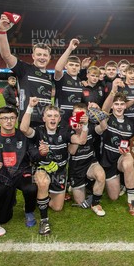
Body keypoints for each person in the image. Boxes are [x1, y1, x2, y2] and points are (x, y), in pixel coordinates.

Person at [19, 98, 83, 234]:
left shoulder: (64, 132)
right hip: (42, 168)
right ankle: (44, 221)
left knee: (57, 207)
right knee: (43, 182)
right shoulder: (39, 132)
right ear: (44, 118)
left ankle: (42, 198)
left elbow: (81, 141)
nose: (52, 118)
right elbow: (24, 128)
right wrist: (30, 106)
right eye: (49, 116)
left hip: (59, 172)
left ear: (59, 119)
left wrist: (80, 129)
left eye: (55, 116)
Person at [0, 106, 40, 234]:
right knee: (4, 218)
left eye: (12, 118)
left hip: (21, 172)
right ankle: (7, 201)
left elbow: (34, 155)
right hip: (2, 175)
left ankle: (29, 211)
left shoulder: (24, 137)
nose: (8, 121)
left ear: (16, 119)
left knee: (31, 188)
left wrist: (41, 153)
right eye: (5, 118)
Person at [0, 14, 53, 127]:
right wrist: (2, 32)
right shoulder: (24, 69)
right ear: (33, 56)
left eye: (45, 55)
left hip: (46, 123)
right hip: (28, 122)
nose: (42, 57)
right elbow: (6, 55)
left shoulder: (49, 76)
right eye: (39, 54)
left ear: (49, 58)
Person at [99, 90, 134, 215]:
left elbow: (132, 143)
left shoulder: (130, 123)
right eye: (116, 104)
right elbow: (103, 111)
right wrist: (112, 91)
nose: (119, 107)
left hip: (122, 157)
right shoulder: (107, 119)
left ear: (125, 105)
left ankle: (131, 200)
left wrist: (127, 149)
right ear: (112, 106)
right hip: (108, 160)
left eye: (122, 104)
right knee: (114, 197)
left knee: (128, 161)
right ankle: (119, 182)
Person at [67, 103, 107, 216]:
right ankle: (85, 185)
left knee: (101, 175)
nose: (79, 116)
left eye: (82, 114)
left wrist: (99, 112)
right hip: (76, 167)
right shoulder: (66, 128)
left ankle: (95, 203)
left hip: (90, 163)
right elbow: (72, 151)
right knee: (81, 203)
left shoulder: (90, 126)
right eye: (77, 114)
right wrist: (78, 132)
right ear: (72, 114)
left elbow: (104, 127)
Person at [53, 39, 83, 123]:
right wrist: (69, 49)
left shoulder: (80, 81)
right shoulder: (62, 77)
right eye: (71, 64)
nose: (74, 67)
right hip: (61, 118)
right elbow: (58, 69)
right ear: (65, 66)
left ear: (79, 68)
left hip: (76, 118)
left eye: (77, 65)